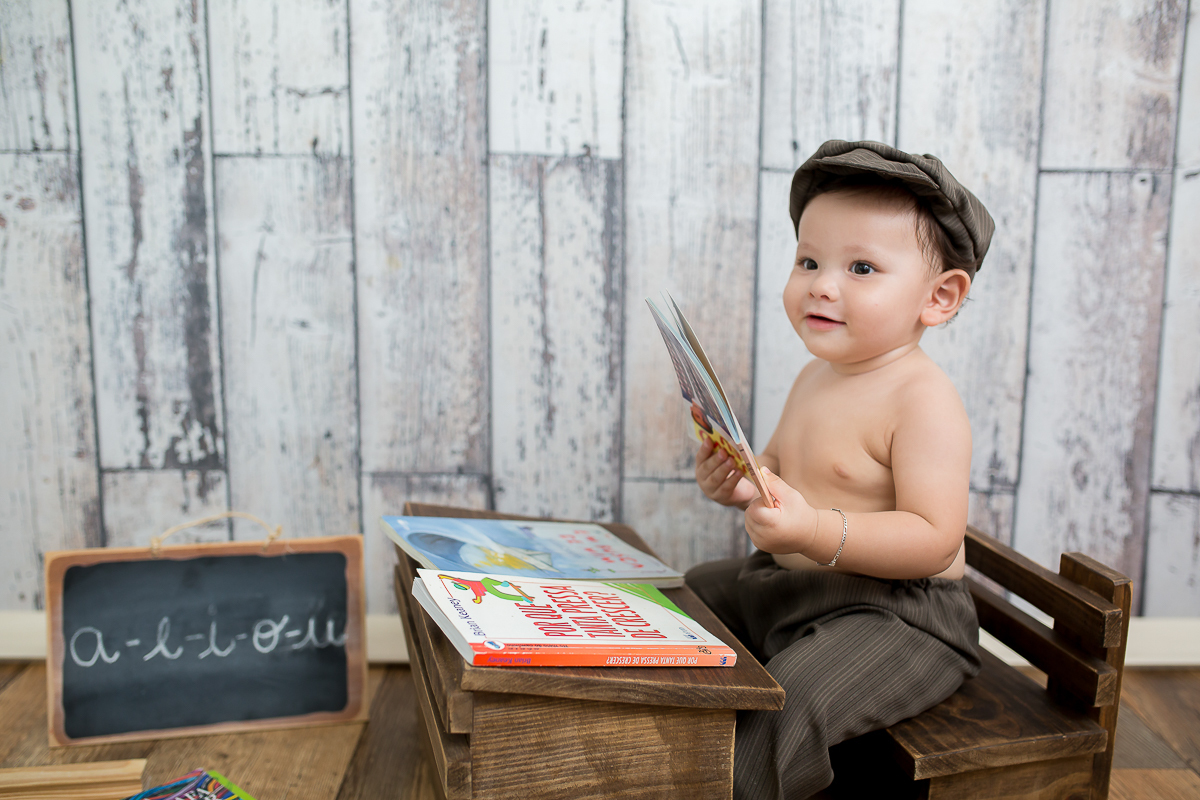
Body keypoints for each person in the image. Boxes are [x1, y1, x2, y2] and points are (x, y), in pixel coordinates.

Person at [685, 140, 994, 800]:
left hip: (900, 617)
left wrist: (812, 532)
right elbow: (778, 467)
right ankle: (656, 751)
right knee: (683, 598)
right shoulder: (815, 375)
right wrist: (741, 479)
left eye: (860, 267)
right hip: (793, 589)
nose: (822, 284)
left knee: (793, 700)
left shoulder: (922, 400)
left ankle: (740, 786)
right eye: (808, 260)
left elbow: (934, 536)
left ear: (939, 297)